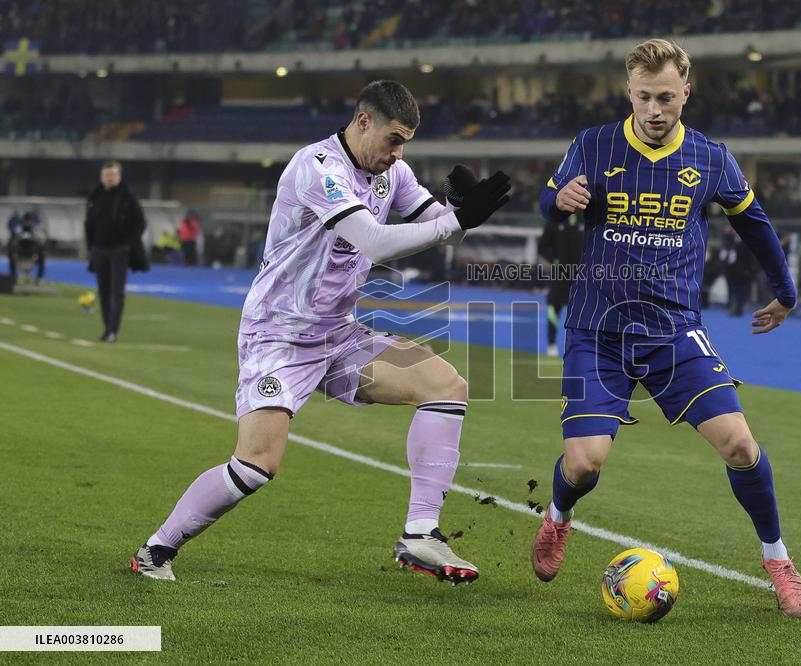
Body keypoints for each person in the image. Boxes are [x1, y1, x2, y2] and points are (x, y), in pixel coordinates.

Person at [130, 80, 511, 585]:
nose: (398, 154)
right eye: (393, 140)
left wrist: (467, 212)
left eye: (405, 143)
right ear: (363, 122)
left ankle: (421, 533)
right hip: (279, 334)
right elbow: (375, 241)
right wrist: (456, 221)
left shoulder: (392, 173)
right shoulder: (318, 167)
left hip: (338, 334)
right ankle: (156, 549)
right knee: (256, 465)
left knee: (446, 386)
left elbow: (440, 227)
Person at [532, 39, 801, 618]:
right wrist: (558, 198)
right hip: (598, 331)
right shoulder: (593, 143)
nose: (654, 110)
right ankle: (558, 516)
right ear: (628, 92)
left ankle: (779, 560)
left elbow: (755, 225)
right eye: (643, 97)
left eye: (665, 97)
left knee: (740, 445)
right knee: (584, 463)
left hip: (674, 332)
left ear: (686, 91)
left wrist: (785, 292)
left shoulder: (712, 158)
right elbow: (546, 199)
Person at [84, 161, 147, 342]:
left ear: (119, 176)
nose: (109, 179)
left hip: (119, 250)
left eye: (112, 175)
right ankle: (107, 328)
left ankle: (113, 330)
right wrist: (91, 247)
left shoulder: (127, 196)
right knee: (103, 291)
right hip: (99, 249)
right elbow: (89, 223)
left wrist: (128, 244)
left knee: (116, 292)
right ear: (101, 177)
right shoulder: (95, 195)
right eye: (106, 175)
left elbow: (140, 223)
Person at [537, 212, 586, 355]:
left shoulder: (586, 219)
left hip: (581, 275)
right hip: (559, 275)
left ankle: (580, 346)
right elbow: (542, 247)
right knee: (553, 307)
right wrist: (555, 261)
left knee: (583, 311)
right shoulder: (555, 220)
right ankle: (551, 344)